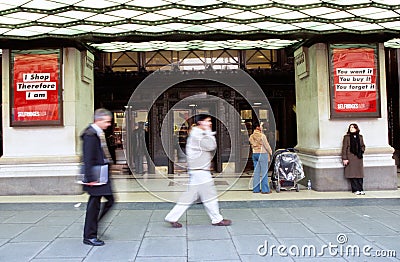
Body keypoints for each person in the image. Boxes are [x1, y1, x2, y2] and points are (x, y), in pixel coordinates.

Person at [165, 114, 232, 228]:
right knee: (209, 195)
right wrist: (209, 132)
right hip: (200, 172)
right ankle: (217, 219)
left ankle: (172, 217)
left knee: (190, 196)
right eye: (207, 121)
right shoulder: (198, 135)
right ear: (201, 122)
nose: (210, 123)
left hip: (198, 171)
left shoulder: (197, 134)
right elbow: (211, 146)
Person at [81, 108, 115, 246]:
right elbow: (88, 158)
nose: (108, 125)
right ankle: (89, 235)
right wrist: (90, 179)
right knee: (94, 205)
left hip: (102, 174)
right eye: (106, 122)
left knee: (110, 200)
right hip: (95, 176)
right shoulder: (90, 135)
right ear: (98, 120)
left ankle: (94, 228)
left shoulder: (97, 133)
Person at [342, 123, 366, 195]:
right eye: (350, 127)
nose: (351, 128)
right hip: (350, 158)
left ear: (356, 128)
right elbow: (344, 148)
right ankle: (355, 189)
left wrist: (361, 151)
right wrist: (344, 158)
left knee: (359, 174)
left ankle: (360, 189)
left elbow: (363, 146)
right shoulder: (347, 137)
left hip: (358, 158)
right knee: (352, 174)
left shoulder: (360, 137)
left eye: (353, 127)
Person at [249, 122, 273, 194]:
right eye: (260, 126)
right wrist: (271, 152)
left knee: (256, 172)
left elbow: (252, 145)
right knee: (264, 172)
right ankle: (265, 189)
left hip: (255, 154)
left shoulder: (251, 136)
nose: (261, 127)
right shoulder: (262, 136)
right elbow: (266, 145)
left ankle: (255, 189)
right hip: (262, 154)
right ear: (257, 127)